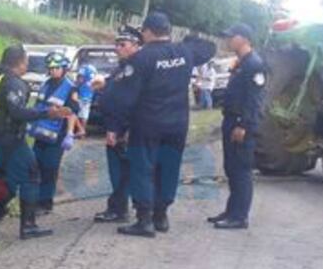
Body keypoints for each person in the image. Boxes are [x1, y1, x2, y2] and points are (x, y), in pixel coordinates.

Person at [108, 12, 216, 237]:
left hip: (148, 124)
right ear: (168, 31)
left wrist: (117, 127)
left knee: (143, 169)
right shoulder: (184, 52)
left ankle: (144, 220)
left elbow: (126, 98)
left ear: (147, 31)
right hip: (177, 124)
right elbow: (210, 48)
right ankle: (161, 216)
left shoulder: (142, 58)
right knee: (169, 168)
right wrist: (189, 37)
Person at [0, 45, 72, 244]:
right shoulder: (14, 83)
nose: (27, 66)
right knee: (32, 174)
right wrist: (47, 113)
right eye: (26, 62)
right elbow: (18, 113)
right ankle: (28, 226)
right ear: (19, 62)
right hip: (9, 140)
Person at [210, 23, 266, 230]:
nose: (228, 40)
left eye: (231, 37)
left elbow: (254, 99)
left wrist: (243, 124)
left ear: (243, 38)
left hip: (241, 122)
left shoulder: (254, 64)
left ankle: (239, 216)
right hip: (231, 119)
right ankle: (231, 210)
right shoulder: (242, 62)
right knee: (231, 168)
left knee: (241, 169)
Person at [92, 25, 143, 223]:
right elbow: (116, 90)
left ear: (136, 46)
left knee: (124, 172)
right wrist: (104, 84)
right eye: (117, 44)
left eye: (123, 44)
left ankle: (121, 210)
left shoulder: (137, 68)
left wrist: (124, 129)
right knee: (118, 172)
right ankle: (118, 207)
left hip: (125, 129)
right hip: (115, 126)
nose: (118, 48)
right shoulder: (123, 67)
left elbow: (134, 102)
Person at [29, 52, 82, 214]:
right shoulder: (45, 84)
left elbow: (72, 112)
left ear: (64, 68)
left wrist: (69, 134)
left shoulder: (70, 88)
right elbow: (38, 107)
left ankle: (45, 203)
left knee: (49, 169)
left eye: (56, 68)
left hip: (56, 136)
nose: (53, 71)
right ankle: (34, 200)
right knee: (35, 167)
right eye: (50, 68)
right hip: (40, 134)